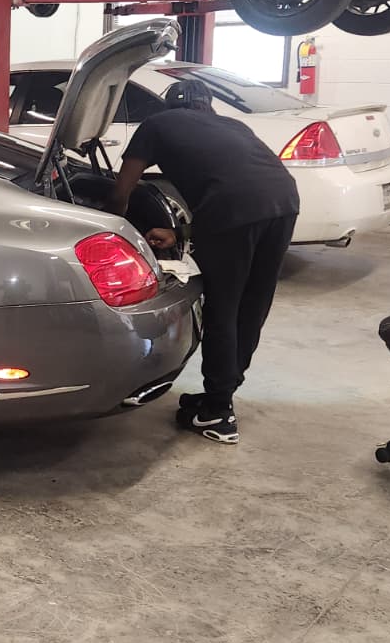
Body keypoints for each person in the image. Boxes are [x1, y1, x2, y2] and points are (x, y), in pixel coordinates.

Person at [106, 80, 300, 445]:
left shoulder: (157, 125)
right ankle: (220, 395)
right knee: (253, 304)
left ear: (166, 105)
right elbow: (236, 188)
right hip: (285, 201)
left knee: (222, 309)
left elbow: (121, 190)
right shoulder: (234, 125)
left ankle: (218, 414)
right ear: (208, 106)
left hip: (234, 210)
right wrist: (179, 235)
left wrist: (111, 224)